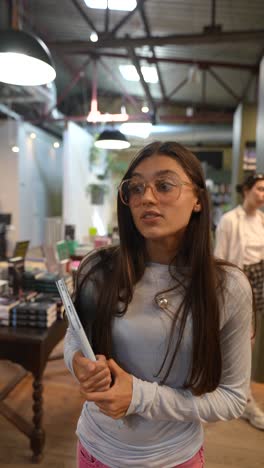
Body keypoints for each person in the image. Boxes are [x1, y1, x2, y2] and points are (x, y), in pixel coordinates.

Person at [64, 141, 252, 468]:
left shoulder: (227, 287)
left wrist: (139, 396)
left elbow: (233, 398)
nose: (147, 198)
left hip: (172, 457)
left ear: (197, 199)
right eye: (136, 188)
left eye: (164, 186)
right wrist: (78, 362)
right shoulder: (98, 268)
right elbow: (74, 339)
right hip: (95, 448)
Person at [214, 172, 264, 431]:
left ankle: (244, 395)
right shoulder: (230, 220)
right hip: (238, 281)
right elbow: (220, 257)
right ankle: (240, 397)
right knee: (241, 337)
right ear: (245, 190)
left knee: (254, 339)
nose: (262, 194)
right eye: (259, 189)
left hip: (260, 280)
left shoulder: (263, 221)